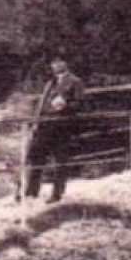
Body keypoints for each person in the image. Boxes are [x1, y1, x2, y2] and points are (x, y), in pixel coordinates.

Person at [25, 58, 86, 202]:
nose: (56, 66)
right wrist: (36, 122)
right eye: (53, 63)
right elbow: (42, 104)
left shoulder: (75, 82)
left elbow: (79, 103)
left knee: (60, 160)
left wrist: (65, 106)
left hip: (61, 126)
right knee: (36, 156)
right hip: (44, 125)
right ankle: (31, 191)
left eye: (59, 63)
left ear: (65, 64)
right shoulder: (50, 83)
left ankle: (57, 193)